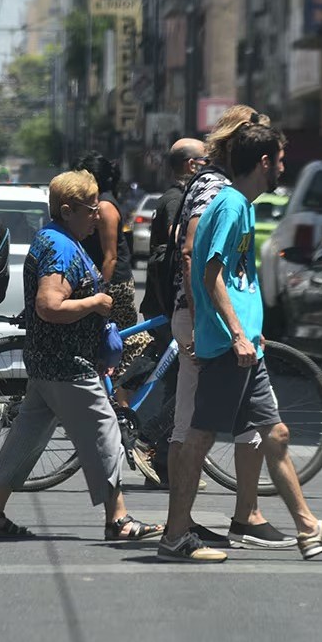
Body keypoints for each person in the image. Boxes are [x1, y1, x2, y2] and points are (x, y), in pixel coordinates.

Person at [161, 122, 322, 562]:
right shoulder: (230, 205)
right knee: (199, 438)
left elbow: (236, 278)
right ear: (264, 162)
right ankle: (175, 536)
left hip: (249, 345)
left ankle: (308, 529)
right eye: (281, 161)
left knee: (277, 433)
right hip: (229, 349)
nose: (284, 168)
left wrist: (250, 328)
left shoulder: (243, 206)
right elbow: (209, 273)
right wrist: (235, 332)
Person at [0, 170, 163, 542]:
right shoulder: (60, 247)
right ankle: (119, 519)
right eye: (91, 209)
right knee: (106, 432)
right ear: (67, 209)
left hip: (47, 363)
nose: (98, 215)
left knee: (26, 436)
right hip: (66, 365)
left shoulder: (54, 238)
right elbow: (49, 305)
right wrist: (95, 303)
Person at [161, 107, 262, 541]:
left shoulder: (222, 186)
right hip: (207, 321)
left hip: (220, 322)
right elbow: (192, 254)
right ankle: (179, 527)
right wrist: (209, 324)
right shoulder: (216, 187)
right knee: (192, 426)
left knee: (256, 424)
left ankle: (247, 515)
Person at [137, 137, 206, 487]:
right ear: (192, 166)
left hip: (166, 304)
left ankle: (163, 462)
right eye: (206, 161)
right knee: (186, 383)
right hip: (171, 306)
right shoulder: (177, 200)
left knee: (173, 382)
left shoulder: (176, 198)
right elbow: (184, 244)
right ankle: (147, 438)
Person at [72, 152, 152, 401]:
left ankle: (122, 397)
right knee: (103, 342)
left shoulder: (106, 207)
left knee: (126, 340)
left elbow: (110, 256)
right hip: (103, 283)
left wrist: (101, 291)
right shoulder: (97, 204)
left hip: (114, 284)